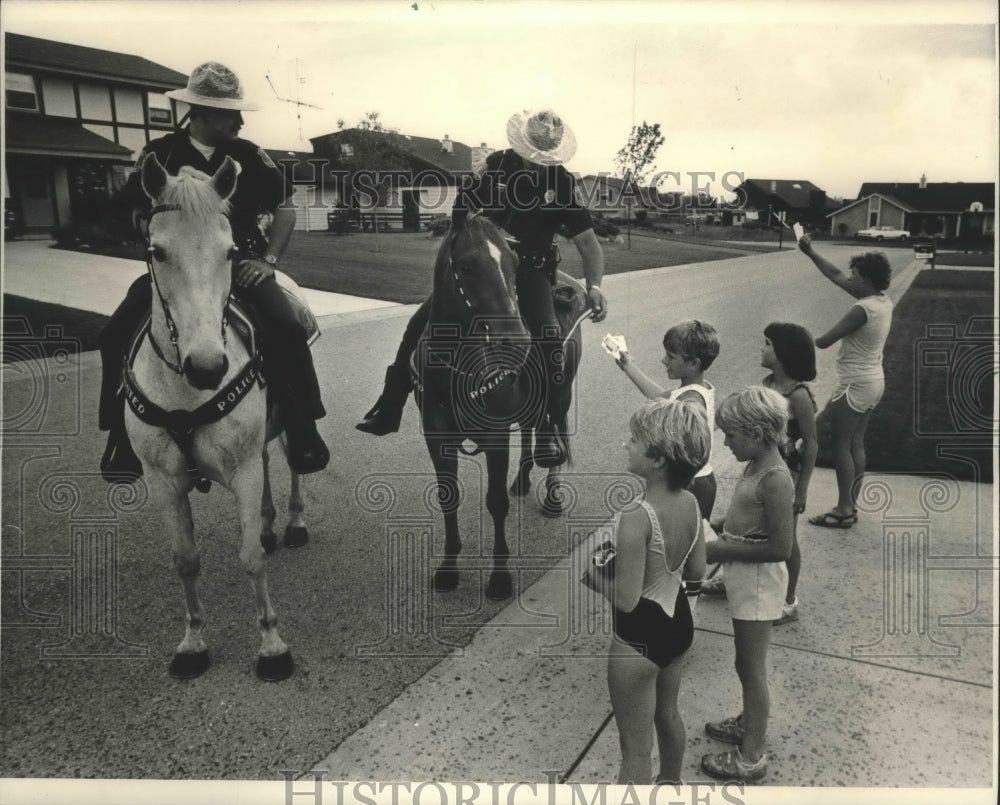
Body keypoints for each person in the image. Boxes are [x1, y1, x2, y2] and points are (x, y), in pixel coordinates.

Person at [98, 62, 329, 481]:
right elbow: (129, 211)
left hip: (239, 266)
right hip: (177, 269)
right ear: (199, 113)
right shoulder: (160, 153)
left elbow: (285, 209)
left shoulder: (248, 155)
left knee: (286, 325)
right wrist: (152, 232)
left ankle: (302, 425)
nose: (239, 121)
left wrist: (268, 261)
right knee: (114, 333)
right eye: (228, 113)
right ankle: (119, 435)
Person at [355, 108, 608, 467]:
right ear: (521, 147)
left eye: (545, 158)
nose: (538, 164)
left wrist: (594, 285)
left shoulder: (563, 183)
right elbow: (463, 211)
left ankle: (549, 423)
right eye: (533, 156)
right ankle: (391, 401)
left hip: (533, 272)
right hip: (487, 270)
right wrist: (486, 235)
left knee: (550, 335)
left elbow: (588, 243)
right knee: (418, 323)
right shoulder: (495, 167)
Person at [581, 399, 709, 784]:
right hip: (678, 627)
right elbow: (697, 570)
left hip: (637, 641)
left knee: (634, 750)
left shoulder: (636, 516)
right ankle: (671, 784)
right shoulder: (691, 502)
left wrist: (593, 575)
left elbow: (626, 599)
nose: (626, 444)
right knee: (668, 716)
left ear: (657, 459)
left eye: (634, 440)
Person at [700, 386, 794, 784]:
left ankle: (751, 756)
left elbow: (780, 546)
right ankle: (747, 723)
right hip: (744, 578)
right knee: (743, 662)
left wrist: (721, 550)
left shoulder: (775, 478)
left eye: (730, 435)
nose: (724, 441)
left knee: (751, 667)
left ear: (756, 433)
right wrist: (722, 526)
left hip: (758, 583)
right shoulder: (756, 463)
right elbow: (746, 514)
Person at [702, 323, 817, 627]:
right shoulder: (766, 384)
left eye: (767, 343)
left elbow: (813, 442)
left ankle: (789, 601)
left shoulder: (799, 394)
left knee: (786, 539)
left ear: (784, 353)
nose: (761, 348)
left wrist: (802, 487)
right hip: (760, 460)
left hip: (786, 471)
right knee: (747, 520)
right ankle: (730, 579)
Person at [798, 235, 893, 527]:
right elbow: (836, 275)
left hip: (854, 385)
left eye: (855, 274)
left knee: (840, 445)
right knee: (856, 444)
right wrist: (810, 252)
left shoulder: (861, 309)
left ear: (864, 279)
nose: (849, 277)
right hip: (873, 381)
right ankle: (850, 506)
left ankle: (842, 509)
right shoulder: (880, 301)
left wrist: (800, 336)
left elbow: (825, 341)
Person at [612, 320, 720, 521]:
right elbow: (661, 396)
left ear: (693, 364)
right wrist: (628, 366)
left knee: (677, 542)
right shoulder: (696, 388)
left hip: (692, 484)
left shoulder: (691, 402)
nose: (664, 361)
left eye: (671, 356)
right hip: (699, 480)